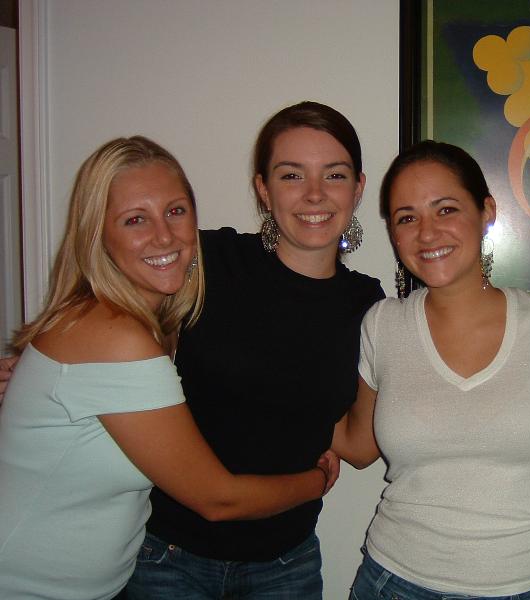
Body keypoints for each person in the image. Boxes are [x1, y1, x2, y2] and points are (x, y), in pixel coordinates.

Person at [0, 136, 338, 600]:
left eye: (175, 211)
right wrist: (316, 481)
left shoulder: (147, 325)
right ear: (97, 234)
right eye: (135, 219)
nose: (164, 236)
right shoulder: (117, 338)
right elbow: (216, 498)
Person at [125, 102, 384, 599]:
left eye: (334, 175)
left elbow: (357, 446)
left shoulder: (368, 304)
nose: (314, 194)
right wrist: (47, 362)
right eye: (292, 175)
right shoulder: (211, 261)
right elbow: (110, 294)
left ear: (357, 188)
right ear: (263, 189)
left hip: (286, 563)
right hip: (169, 558)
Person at [334, 140, 530, 600]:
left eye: (445, 210)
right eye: (407, 218)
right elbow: (359, 446)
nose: (427, 233)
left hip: (518, 586)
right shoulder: (383, 324)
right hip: (392, 582)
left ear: (487, 212)